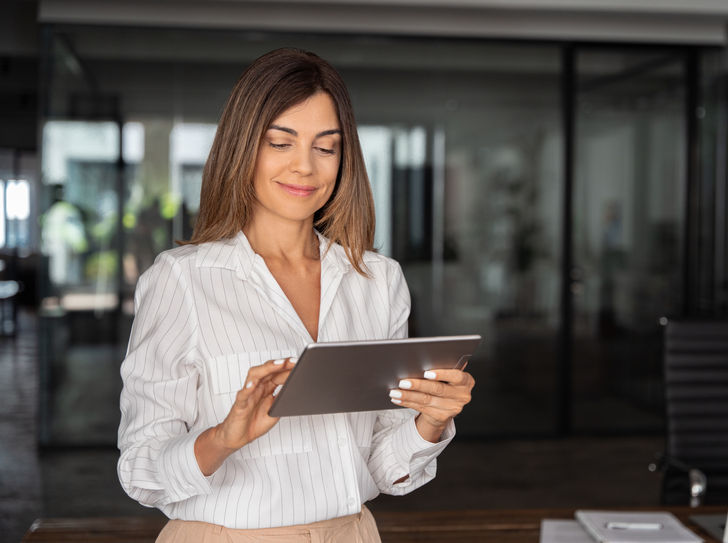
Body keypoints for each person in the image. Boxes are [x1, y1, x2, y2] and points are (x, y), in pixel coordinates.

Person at [116, 48, 475, 542]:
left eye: (325, 147)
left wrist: (430, 422)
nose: (305, 167)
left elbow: (380, 466)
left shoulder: (378, 279)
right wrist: (222, 439)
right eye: (280, 143)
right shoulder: (181, 280)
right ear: (243, 148)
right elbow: (139, 470)